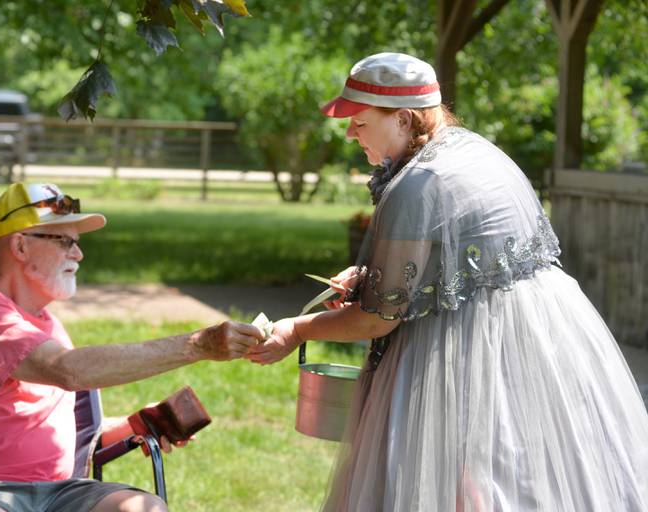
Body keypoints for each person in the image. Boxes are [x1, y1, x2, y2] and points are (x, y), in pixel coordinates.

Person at [247, 53, 648, 511]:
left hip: (460, 345)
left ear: (402, 118)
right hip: (541, 337)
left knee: (437, 473)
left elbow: (378, 318)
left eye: (360, 122)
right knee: (521, 469)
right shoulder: (477, 151)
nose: (349, 133)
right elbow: (462, 252)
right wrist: (368, 274)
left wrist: (297, 330)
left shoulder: (418, 184)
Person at [0, 182, 264, 512]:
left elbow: (65, 430)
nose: (79, 253)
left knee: (145, 507)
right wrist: (197, 345)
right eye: (64, 241)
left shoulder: (50, 326)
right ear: (21, 246)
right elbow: (67, 370)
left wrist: (139, 424)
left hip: (58, 493)